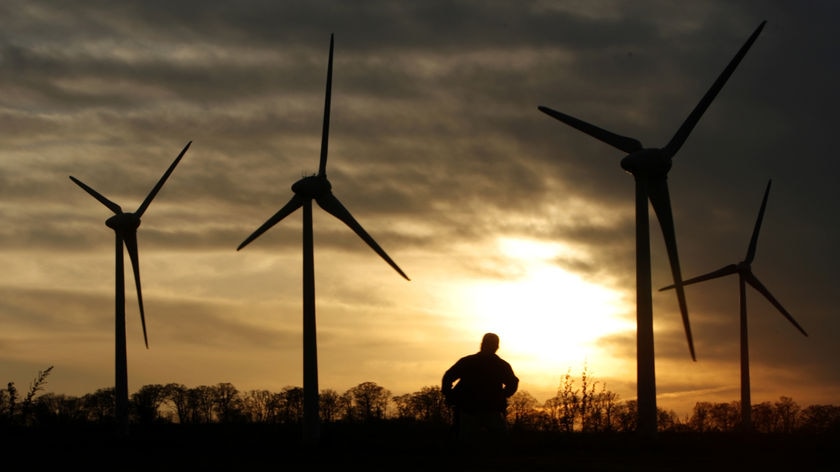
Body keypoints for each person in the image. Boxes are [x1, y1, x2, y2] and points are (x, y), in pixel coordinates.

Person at [441, 332, 519, 442]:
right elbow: (513, 383)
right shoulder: (500, 365)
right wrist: (501, 397)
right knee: (501, 443)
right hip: (487, 410)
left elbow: (448, 377)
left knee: (464, 443)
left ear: (482, 344)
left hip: (471, 409)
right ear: (497, 347)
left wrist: (451, 396)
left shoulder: (468, 361)